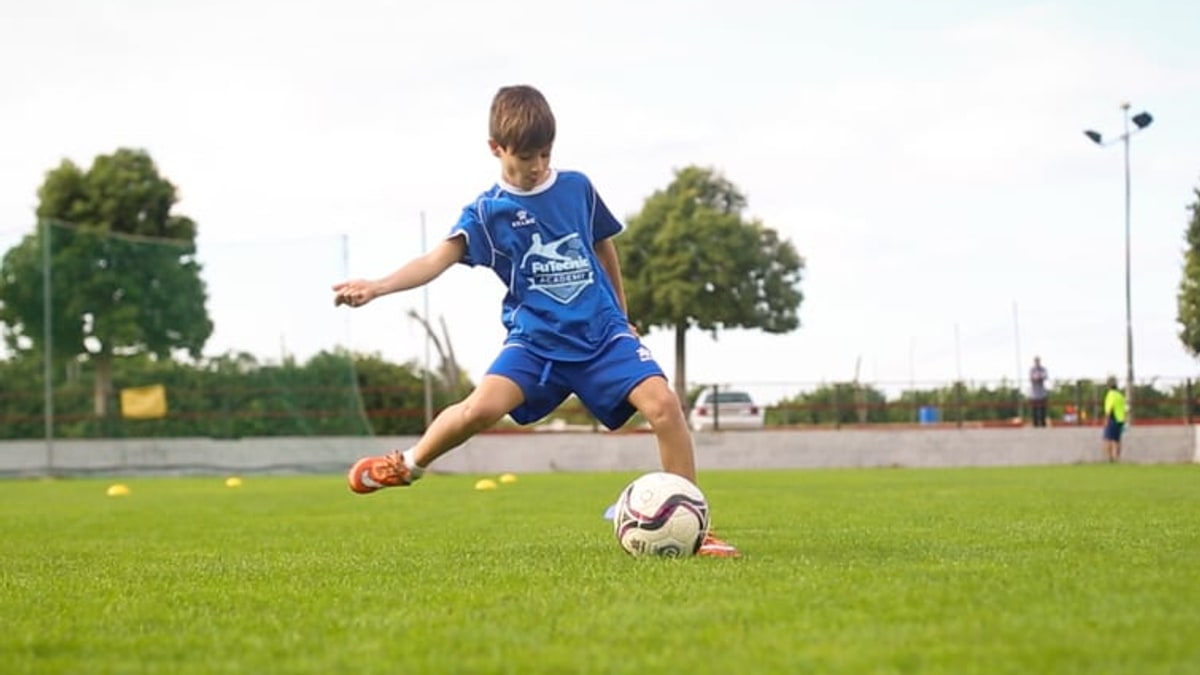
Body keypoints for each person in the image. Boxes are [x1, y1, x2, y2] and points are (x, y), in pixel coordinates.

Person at [332, 84, 738, 558]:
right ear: (495, 149)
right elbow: (436, 260)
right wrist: (377, 286)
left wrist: (622, 318)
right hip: (536, 341)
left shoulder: (577, 187)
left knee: (664, 406)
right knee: (479, 409)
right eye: (526, 156)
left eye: (545, 154)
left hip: (602, 335)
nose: (538, 166)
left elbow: (604, 245)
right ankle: (408, 464)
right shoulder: (486, 212)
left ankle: (695, 526)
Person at [1102, 376, 1127, 462]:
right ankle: (1117, 458)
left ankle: (1110, 459)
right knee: (1117, 440)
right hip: (1121, 419)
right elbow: (1125, 408)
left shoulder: (1110, 394)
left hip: (1113, 419)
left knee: (1108, 439)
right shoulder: (1120, 395)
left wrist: (1106, 419)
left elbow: (1109, 407)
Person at [1029, 356, 1049, 428]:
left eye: (1038, 361)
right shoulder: (1032, 369)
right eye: (1036, 361)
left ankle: (1043, 424)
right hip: (1034, 393)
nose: (1037, 362)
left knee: (1043, 409)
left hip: (1042, 393)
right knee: (1034, 409)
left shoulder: (1043, 369)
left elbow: (1045, 376)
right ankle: (1035, 424)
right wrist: (1037, 377)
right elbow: (1032, 377)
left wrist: (1038, 377)